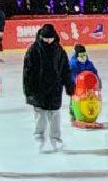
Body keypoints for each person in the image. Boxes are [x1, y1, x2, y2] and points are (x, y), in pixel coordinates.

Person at [23, 22, 73, 152]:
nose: (48, 41)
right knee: (40, 114)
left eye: (50, 38)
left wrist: (69, 85)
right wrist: (28, 91)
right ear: (41, 37)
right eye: (46, 38)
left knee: (55, 114)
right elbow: (27, 72)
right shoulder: (33, 50)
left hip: (55, 88)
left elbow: (65, 70)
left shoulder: (59, 50)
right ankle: (38, 137)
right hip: (38, 88)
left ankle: (56, 139)